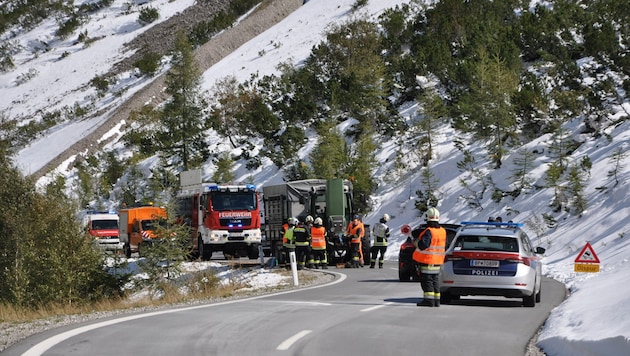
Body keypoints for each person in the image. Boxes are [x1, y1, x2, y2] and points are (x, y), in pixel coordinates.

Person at [412, 207, 447, 307]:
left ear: (427, 218)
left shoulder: (429, 231)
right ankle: (436, 301)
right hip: (438, 262)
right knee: (435, 281)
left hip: (428, 261)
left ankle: (429, 301)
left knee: (427, 281)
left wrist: (416, 242)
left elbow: (423, 245)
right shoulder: (442, 231)